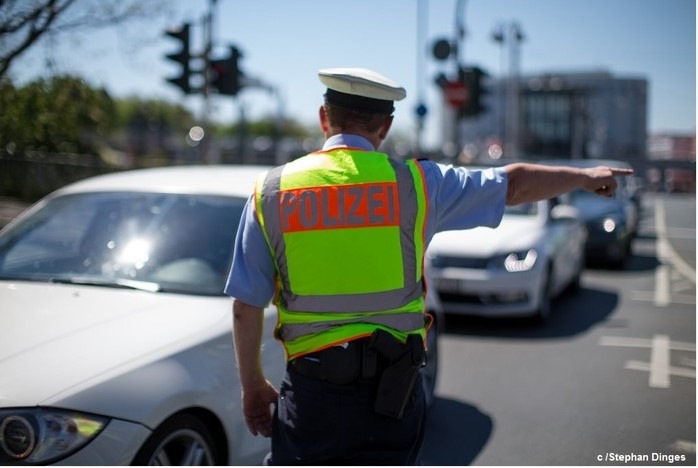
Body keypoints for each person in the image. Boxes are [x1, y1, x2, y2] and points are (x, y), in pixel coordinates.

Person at [225, 67, 633, 465]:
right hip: (392, 397)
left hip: (312, 395)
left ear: (323, 118)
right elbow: (513, 185)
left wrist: (251, 385)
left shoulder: (272, 192)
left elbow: (246, 305)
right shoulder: (418, 184)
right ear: (385, 126)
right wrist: (583, 177)